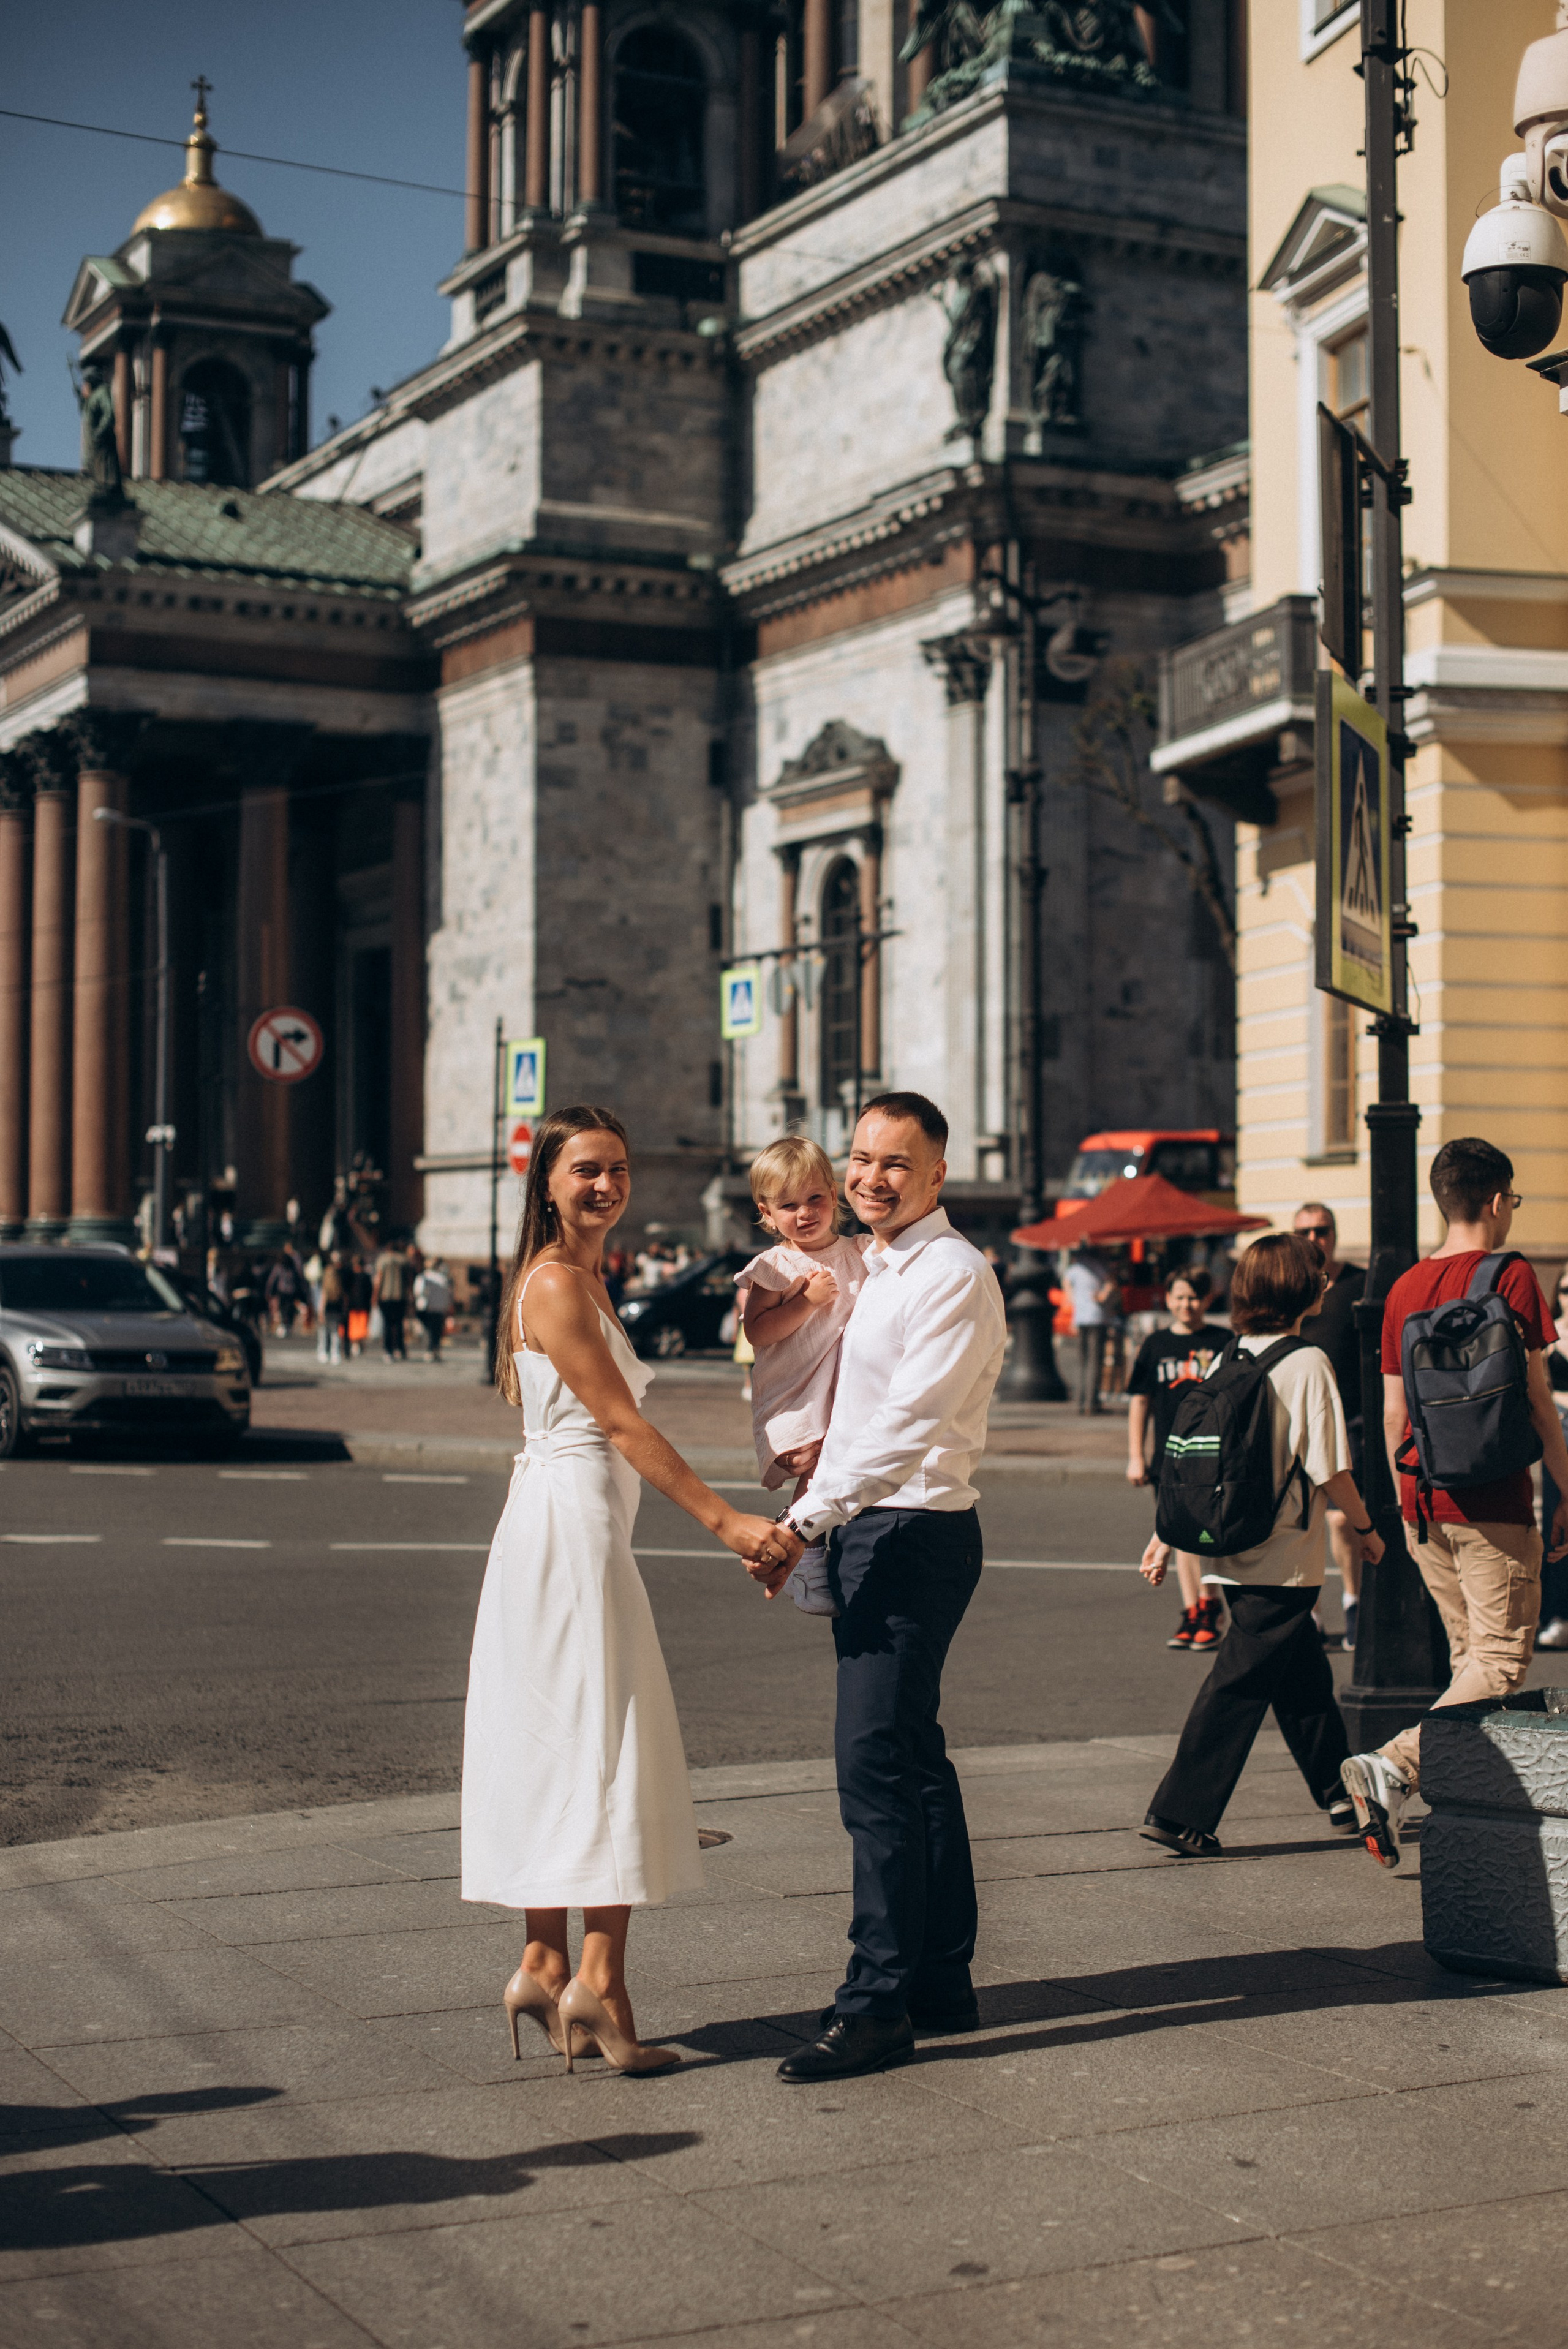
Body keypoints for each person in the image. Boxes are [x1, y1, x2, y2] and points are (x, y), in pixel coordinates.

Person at [462, 1106, 778, 2075]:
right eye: (586, 1170)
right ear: (548, 1183)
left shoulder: (572, 1274)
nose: (606, 1184)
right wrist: (727, 1521)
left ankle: (544, 1960)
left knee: (561, 1737)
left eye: (618, 1169)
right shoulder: (558, 1281)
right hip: (572, 1529)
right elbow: (620, 1423)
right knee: (608, 1740)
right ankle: (600, 1984)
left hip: (564, 1525)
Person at [750, 1093, 1007, 2083]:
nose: (870, 1177)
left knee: (874, 1770)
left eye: (896, 1163)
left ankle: (876, 2004)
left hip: (910, 1533)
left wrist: (803, 1523)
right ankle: (938, 1982)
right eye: (860, 1157)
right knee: (913, 1757)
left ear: (936, 1175)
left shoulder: (951, 1272)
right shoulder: (878, 1264)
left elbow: (908, 1424)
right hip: (872, 1526)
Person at [1341, 1137, 1568, 1867]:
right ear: (1497, 1201)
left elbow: (1390, 1415)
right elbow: (1538, 1402)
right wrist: (1567, 1489)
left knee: (1469, 1662)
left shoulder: (1404, 1286)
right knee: (1498, 1663)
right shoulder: (1511, 1274)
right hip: (1493, 1499)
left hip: (1422, 1500)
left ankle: (1469, 1816)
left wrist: (1405, 1506)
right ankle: (1393, 1767)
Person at [1137, 1232, 1384, 1858]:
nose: (1325, 1283)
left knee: (1301, 1677)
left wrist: (1166, 1534)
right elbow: (1330, 1469)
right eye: (1317, 1275)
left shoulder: (1229, 1354)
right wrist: (1366, 1529)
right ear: (1296, 1288)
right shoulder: (1307, 1363)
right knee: (1239, 1684)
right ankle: (1178, 1811)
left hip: (1230, 1542)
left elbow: (1195, 1459)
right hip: (1283, 1552)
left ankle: (1340, 1792)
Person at [736, 1137, 870, 1616]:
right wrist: (805, 1302)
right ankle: (801, 1547)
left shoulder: (859, 1251)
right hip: (794, 1391)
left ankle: (807, 1544)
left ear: (835, 1195)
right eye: (789, 1205)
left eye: (815, 1198)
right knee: (815, 1461)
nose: (805, 1213)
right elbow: (757, 1330)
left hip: (839, 1384)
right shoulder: (777, 1265)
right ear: (767, 1214)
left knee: (833, 1459)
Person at [1125, 1267, 1231, 1652]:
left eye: (1195, 1297)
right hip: (1167, 1459)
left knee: (1203, 1536)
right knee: (1176, 1534)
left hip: (1210, 1457)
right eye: (1180, 1297)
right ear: (1168, 1299)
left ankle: (1210, 1606)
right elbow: (1140, 1401)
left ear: (1208, 1300)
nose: (1187, 1305)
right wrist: (1136, 1456)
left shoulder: (1223, 1342)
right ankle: (1193, 1610)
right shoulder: (1156, 1344)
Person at [1294, 1202, 1366, 1651]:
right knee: (1303, 1523)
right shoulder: (1289, 1288)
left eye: (1322, 1230)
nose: (1314, 1238)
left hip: (1350, 1420)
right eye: (1305, 1231)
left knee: (1342, 1520)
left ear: (1335, 1234)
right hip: (1298, 1422)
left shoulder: (1360, 1283)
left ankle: (1354, 1602)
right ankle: (1313, 1614)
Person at [1539, 1266, 1568, 1650]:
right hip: (1559, 1432)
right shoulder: (1549, 1337)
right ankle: (1555, 1612)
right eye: (1565, 1289)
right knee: (1556, 1521)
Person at [1063, 1243, 1117, 1414]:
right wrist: (1101, 1296)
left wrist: (1075, 1301)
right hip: (1097, 1317)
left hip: (1080, 1317)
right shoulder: (1099, 1266)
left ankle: (1080, 1401)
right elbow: (1111, 1284)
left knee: (1082, 1361)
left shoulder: (1075, 1268)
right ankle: (1091, 1402)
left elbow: (1066, 1285)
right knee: (1095, 1361)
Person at [374, 1240, 410, 1360]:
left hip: (386, 1296)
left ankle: (389, 1350)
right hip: (400, 1296)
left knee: (387, 1324)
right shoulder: (403, 1260)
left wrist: (375, 1296)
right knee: (399, 1324)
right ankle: (400, 1349)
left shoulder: (383, 1260)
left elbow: (379, 1279)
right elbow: (409, 1279)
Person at [414, 1253, 453, 1360]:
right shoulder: (442, 1278)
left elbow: (418, 1292)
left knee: (428, 1330)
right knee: (437, 1330)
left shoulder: (424, 1277)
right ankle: (436, 1350)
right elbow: (448, 1294)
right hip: (440, 1309)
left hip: (428, 1308)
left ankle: (429, 1350)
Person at [318, 1251, 348, 1364]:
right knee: (335, 1332)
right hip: (337, 1308)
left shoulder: (327, 1282)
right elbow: (344, 1297)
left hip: (329, 1308)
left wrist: (321, 1311)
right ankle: (335, 1353)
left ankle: (325, 1352)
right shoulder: (340, 1282)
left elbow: (323, 1297)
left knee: (326, 1332)